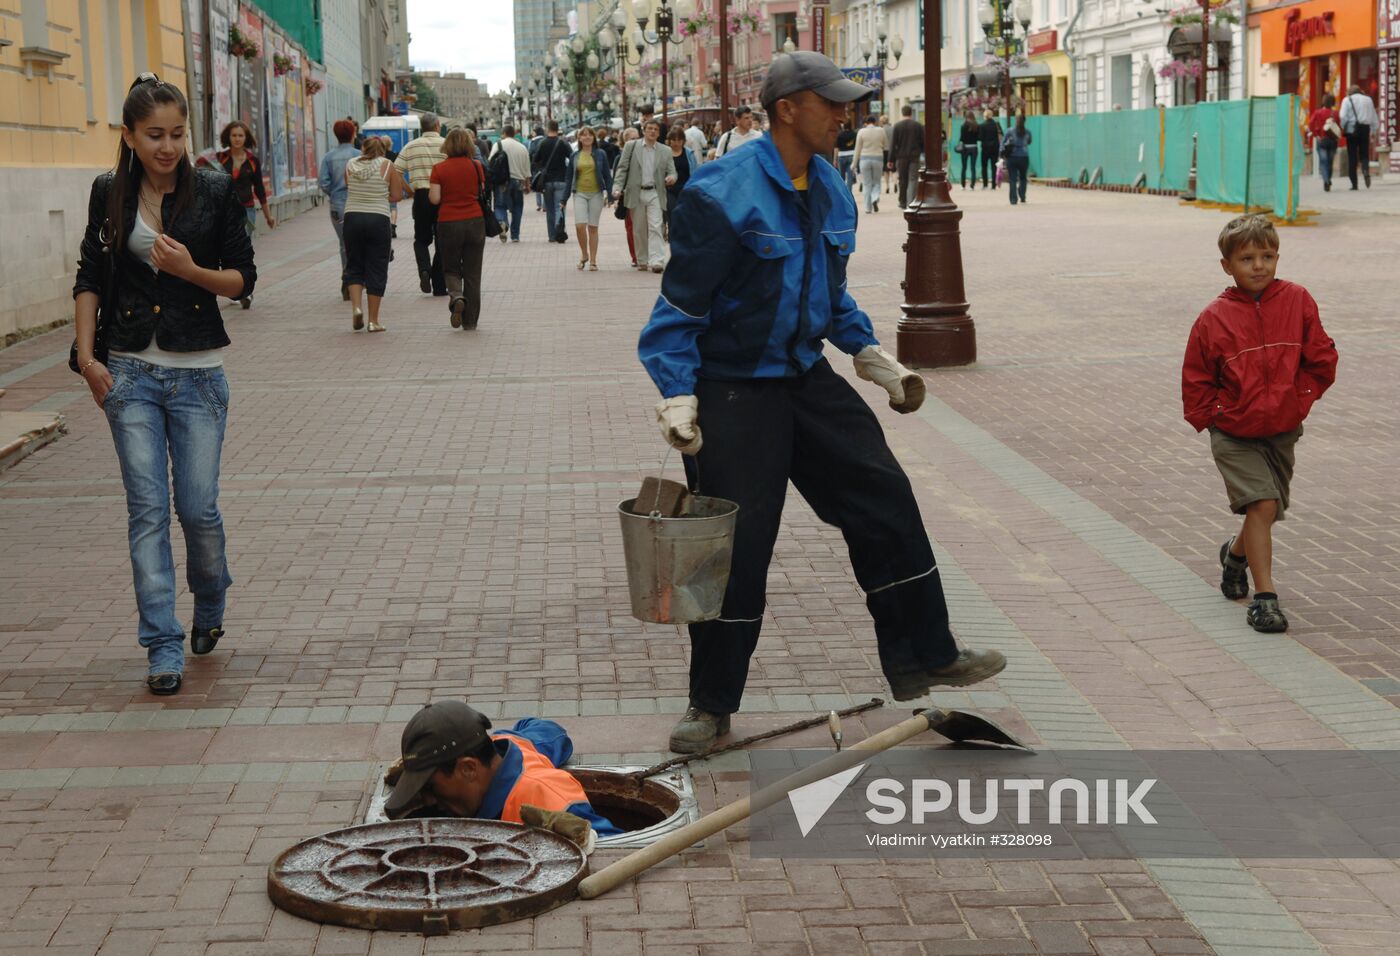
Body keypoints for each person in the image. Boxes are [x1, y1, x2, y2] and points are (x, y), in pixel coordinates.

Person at [639, 51, 1008, 753]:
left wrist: (870, 355)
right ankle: (710, 705)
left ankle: (926, 653)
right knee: (736, 549)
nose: (845, 115)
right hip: (733, 387)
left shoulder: (832, 186)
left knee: (885, 496)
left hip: (806, 376)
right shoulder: (720, 194)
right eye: (832, 103)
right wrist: (679, 393)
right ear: (788, 109)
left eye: (846, 104)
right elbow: (678, 310)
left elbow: (829, 294)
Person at [73, 74, 256, 697]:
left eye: (178, 133)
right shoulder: (109, 192)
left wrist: (189, 269)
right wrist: (87, 358)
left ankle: (210, 601)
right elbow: (90, 275)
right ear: (129, 136)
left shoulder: (214, 189)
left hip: (199, 375)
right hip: (129, 372)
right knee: (147, 511)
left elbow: (243, 279)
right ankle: (162, 644)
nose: (168, 146)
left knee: (197, 509)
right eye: (155, 135)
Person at [1181, 215, 1338, 634]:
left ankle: (1235, 557)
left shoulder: (1297, 300)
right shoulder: (1213, 317)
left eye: (1267, 256)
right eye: (1247, 258)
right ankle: (1264, 600)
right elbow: (1196, 378)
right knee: (1263, 504)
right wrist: (1216, 415)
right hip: (1233, 432)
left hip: (1281, 429)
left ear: (1277, 258)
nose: (1258, 265)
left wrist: (1298, 400)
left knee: (1264, 512)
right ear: (1227, 266)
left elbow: (1321, 358)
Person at [385, 701, 621, 846]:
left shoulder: (549, 800)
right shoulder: (505, 744)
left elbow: (617, 849)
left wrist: (587, 840)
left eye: (430, 786)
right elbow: (549, 730)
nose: (427, 800)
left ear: (468, 768)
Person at [343, 136, 406, 333]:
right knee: (377, 267)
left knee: (354, 264)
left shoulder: (350, 164)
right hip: (378, 218)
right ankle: (373, 321)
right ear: (382, 150)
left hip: (352, 217)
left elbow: (349, 187)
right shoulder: (387, 165)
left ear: (363, 148)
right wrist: (380, 195)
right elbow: (397, 195)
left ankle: (356, 308)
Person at [429, 127, 487, 330]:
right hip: (475, 221)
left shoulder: (439, 169)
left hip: (449, 222)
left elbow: (435, 198)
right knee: (473, 274)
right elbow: (481, 191)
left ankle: (456, 296)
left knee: (451, 268)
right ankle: (470, 322)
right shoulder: (476, 166)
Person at [216, 120, 274, 309]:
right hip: (224, 212)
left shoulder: (252, 161)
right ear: (228, 137)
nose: (237, 139)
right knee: (225, 250)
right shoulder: (220, 159)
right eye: (234, 135)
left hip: (247, 212)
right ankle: (234, 287)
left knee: (243, 248)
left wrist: (268, 216)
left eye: (240, 135)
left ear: (246, 138)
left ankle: (245, 291)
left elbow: (260, 190)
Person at [613, 119, 676, 273]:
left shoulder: (665, 150)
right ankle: (642, 259)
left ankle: (657, 261)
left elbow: (672, 171)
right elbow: (622, 168)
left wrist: (671, 177)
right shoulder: (631, 146)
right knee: (639, 228)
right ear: (643, 130)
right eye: (650, 128)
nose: (652, 131)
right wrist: (617, 187)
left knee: (656, 226)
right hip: (636, 192)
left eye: (656, 129)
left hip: (655, 192)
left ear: (659, 133)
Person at [394, 112, 447, 296]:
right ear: (437, 125)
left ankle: (424, 269)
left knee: (421, 240)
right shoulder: (446, 144)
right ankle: (439, 286)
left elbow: (396, 171)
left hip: (421, 196)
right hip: (442, 196)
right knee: (442, 241)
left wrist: (408, 190)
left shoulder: (411, 146)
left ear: (421, 127)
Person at [318, 119, 361, 300]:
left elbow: (323, 182)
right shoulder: (359, 155)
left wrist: (334, 193)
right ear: (353, 134)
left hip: (337, 205)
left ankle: (347, 277)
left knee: (344, 243)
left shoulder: (329, 157)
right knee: (359, 242)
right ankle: (357, 278)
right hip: (358, 203)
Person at [562, 125, 613, 272]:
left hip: (596, 194)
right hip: (579, 193)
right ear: (579, 138)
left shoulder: (600, 154)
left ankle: (593, 261)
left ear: (594, 137)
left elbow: (607, 176)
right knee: (579, 226)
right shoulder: (574, 156)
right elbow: (568, 178)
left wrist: (610, 195)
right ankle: (584, 254)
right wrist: (564, 199)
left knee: (593, 227)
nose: (587, 137)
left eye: (590, 134)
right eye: (583, 135)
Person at [490, 124, 531, 242]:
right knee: (517, 207)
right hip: (518, 181)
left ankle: (502, 222)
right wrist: (527, 184)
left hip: (502, 182)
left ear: (504, 133)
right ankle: (515, 235)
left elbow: (490, 162)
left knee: (500, 206)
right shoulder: (522, 147)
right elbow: (526, 168)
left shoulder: (498, 145)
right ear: (514, 134)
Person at [533, 121, 571, 243]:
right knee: (559, 207)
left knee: (549, 209)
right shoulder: (563, 143)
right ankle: (559, 230)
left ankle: (552, 236)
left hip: (547, 181)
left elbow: (535, 159)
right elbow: (572, 157)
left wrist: (542, 168)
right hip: (561, 179)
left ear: (547, 128)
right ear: (557, 129)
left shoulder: (542, 143)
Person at [1338, 85, 1378, 190]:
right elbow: (1373, 116)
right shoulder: (1368, 99)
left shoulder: (1347, 100)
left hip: (1352, 129)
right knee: (1364, 153)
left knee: (1352, 155)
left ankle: (1354, 184)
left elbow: (1343, 116)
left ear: (1350, 92)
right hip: (1365, 128)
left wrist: (1342, 127)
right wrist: (1373, 130)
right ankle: (1365, 169)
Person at [664, 125, 697, 240]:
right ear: (669, 140)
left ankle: (684, 237)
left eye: (679, 140)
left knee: (685, 214)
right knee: (673, 212)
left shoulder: (689, 153)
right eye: (673, 140)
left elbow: (695, 171)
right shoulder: (665, 153)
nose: (676, 143)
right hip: (669, 190)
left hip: (686, 189)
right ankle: (673, 237)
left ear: (683, 141)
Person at [616, 127, 642, 267]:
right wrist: (617, 191)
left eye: (638, 138)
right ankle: (635, 257)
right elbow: (617, 176)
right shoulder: (620, 157)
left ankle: (645, 254)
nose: (636, 141)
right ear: (625, 141)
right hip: (629, 196)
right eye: (632, 139)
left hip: (645, 194)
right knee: (631, 227)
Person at [890, 104, 924, 209]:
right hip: (914, 156)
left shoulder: (897, 126)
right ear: (911, 113)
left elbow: (893, 143)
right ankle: (911, 201)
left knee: (902, 180)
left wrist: (890, 159)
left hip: (901, 157)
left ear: (902, 113)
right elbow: (923, 142)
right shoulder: (918, 126)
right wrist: (921, 151)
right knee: (913, 179)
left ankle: (902, 202)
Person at [1307, 93, 1342, 193]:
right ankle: (1328, 179)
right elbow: (1339, 126)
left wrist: (1315, 134)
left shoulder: (1318, 113)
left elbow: (1311, 123)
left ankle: (1326, 180)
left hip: (1322, 140)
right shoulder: (1335, 113)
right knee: (1330, 162)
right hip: (1333, 140)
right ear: (1333, 102)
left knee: (1323, 162)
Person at [853, 113, 886, 213]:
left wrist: (854, 163)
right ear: (875, 122)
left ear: (866, 123)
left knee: (867, 184)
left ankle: (868, 208)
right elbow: (885, 145)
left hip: (864, 159)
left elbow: (857, 149)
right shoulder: (881, 130)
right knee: (876, 182)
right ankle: (874, 197)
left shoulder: (861, 132)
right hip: (878, 158)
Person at [1001, 112, 1032, 205]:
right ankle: (1022, 196)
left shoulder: (1009, 131)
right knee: (1023, 178)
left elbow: (1003, 143)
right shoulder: (1027, 132)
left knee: (1013, 178)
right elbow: (1029, 141)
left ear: (1016, 121)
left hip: (1012, 157)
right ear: (1024, 121)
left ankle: (1013, 199)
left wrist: (1002, 154)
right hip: (1024, 157)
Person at [978, 109, 1003, 189]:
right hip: (995, 147)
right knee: (994, 166)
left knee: (984, 166)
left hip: (985, 148)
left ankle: (985, 184)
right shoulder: (996, 124)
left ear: (985, 116)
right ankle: (993, 185)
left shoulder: (982, 125)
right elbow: (1001, 135)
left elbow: (980, 137)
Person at [957, 111, 981, 189]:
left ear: (966, 117)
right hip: (974, 147)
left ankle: (963, 185)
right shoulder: (977, 126)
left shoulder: (963, 126)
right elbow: (979, 138)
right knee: (973, 167)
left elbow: (961, 139)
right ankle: (972, 185)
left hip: (965, 148)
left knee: (964, 167)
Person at [835, 122, 857, 188]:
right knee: (850, 176)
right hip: (851, 155)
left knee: (841, 176)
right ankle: (849, 191)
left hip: (841, 155)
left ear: (843, 126)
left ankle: (843, 190)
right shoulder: (854, 134)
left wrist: (835, 159)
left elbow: (836, 148)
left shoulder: (839, 135)